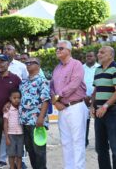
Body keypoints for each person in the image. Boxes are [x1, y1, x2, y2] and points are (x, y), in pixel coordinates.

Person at [50, 40, 87, 169]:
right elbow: (51, 86)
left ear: (69, 51)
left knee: (78, 141)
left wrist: (57, 98)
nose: (58, 50)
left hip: (75, 106)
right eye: (57, 48)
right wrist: (56, 102)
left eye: (61, 48)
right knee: (65, 142)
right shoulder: (57, 67)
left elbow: (74, 85)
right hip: (62, 108)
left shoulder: (76, 64)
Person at [0, 44, 28, 168]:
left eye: (9, 48)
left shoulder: (22, 66)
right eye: (5, 49)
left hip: (15, 109)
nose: (6, 50)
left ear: (15, 51)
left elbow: (24, 86)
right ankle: (1, 160)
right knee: (2, 137)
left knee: (17, 135)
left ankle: (21, 161)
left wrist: (13, 102)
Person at [91, 46, 116, 169]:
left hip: (113, 112)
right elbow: (96, 90)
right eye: (98, 52)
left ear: (111, 55)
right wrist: (92, 106)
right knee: (100, 148)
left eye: (102, 52)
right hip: (99, 113)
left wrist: (105, 106)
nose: (99, 54)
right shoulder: (98, 70)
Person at [0, 55, 22, 169]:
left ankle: (16, 165)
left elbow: (20, 96)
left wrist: (10, 103)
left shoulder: (15, 79)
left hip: (11, 117)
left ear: (8, 64)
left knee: (13, 142)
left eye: (2, 62)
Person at [83, 51, 100, 147]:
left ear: (95, 57)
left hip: (97, 98)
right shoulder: (81, 68)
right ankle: (84, 140)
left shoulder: (99, 68)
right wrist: (84, 96)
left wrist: (94, 97)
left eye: (91, 56)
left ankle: (99, 142)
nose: (89, 57)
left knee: (98, 121)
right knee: (85, 121)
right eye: (87, 56)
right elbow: (78, 83)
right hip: (83, 98)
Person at [4, 89, 23, 169]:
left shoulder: (22, 108)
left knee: (19, 154)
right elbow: (5, 123)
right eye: (14, 98)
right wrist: (7, 137)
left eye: (18, 98)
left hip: (21, 134)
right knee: (11, 154)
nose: (17, 100)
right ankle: (12, 167)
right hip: (10, 135)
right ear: (10, 98)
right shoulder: (7, 109)